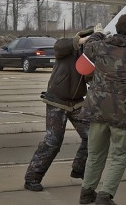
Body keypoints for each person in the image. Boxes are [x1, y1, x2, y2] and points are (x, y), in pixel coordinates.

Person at [79, 14, 126, 205]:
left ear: (117, 28)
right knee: (120, 154)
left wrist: (99, 34)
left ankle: (87, 191)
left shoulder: (100, 47)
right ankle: (105, 195)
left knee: (95, 153)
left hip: (97, 109)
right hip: (122, 112)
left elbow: (87, 45)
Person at [24, 28, 94, 195]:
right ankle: (32, 178)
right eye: (88, 40)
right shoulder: (67, 47)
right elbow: (58, 46)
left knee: (92, 137)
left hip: (76, 103)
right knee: (53, 141)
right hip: (56, 101)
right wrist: (80, 41)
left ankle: (79, 169)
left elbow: (89, 78)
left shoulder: (90, 55)